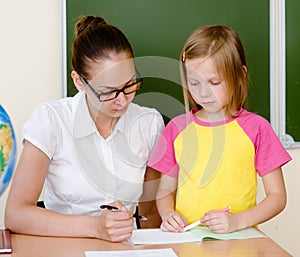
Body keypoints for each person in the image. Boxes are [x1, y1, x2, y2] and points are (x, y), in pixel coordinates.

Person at [5, 15, 164, 242]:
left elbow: (150, 213)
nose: (123, 101)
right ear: (79, 82)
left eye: (130, 85)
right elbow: (15, 213)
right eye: (109, 92)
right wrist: (94, 227)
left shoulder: (149, 123)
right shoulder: (52, 120)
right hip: (63, 248)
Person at [148, 25, 292, 234]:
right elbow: (164, 191)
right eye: (194, 83)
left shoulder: (257, 128)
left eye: (214, 82)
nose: (203, 93)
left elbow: (277, 197)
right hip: (189, 241)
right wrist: (168, 214)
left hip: (240, 240)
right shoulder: (177, 129)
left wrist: (238, 221)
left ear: (240, 76)